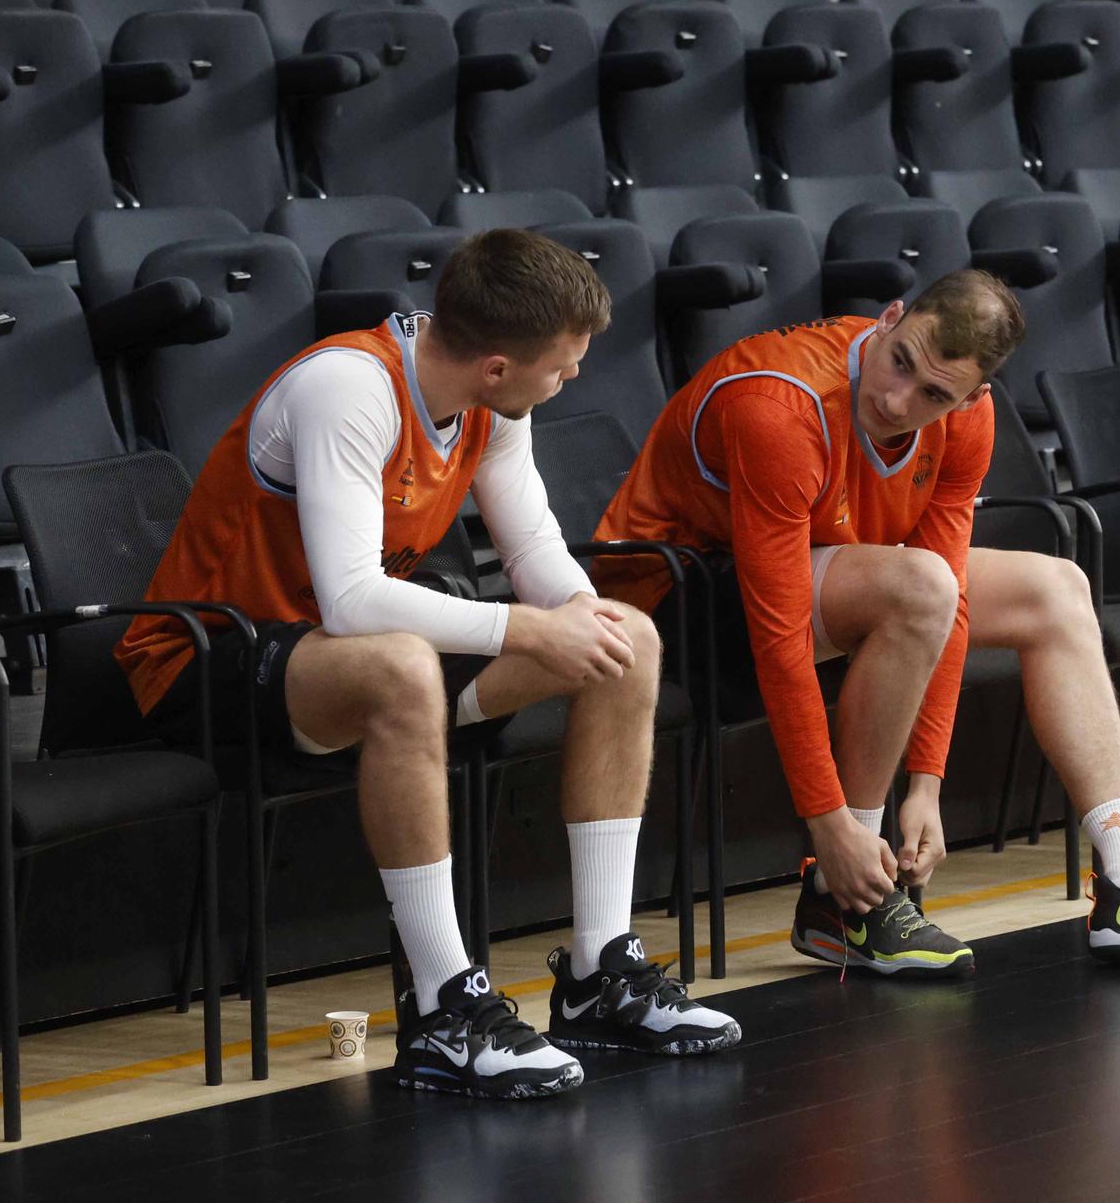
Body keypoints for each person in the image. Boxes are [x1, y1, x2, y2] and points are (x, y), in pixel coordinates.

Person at [115, 230, 740, 1101]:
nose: (570, 381)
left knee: (624, 639)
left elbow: (533, 545)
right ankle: (446, 1011)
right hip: (209, 659)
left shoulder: (495, 405)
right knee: (405, 663)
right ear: (493, 365)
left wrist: (576, 616)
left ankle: (601, 974)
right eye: (560, 368)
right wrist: (526, 628)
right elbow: (351, 602)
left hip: (346, 661)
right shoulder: (348, 386)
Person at [592, 271, 1120, 975]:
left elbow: (950, 598)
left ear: (974, 397)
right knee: (919, 583)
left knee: (1056, 588)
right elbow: (779, 636)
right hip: (668, 601)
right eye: (900, 360)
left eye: (935, 393)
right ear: (889, 316)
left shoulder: (967, 423)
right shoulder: (779, 406)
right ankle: (844, 899)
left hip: (819, 576)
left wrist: (928, 782)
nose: (898, 399)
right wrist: (830, 822)